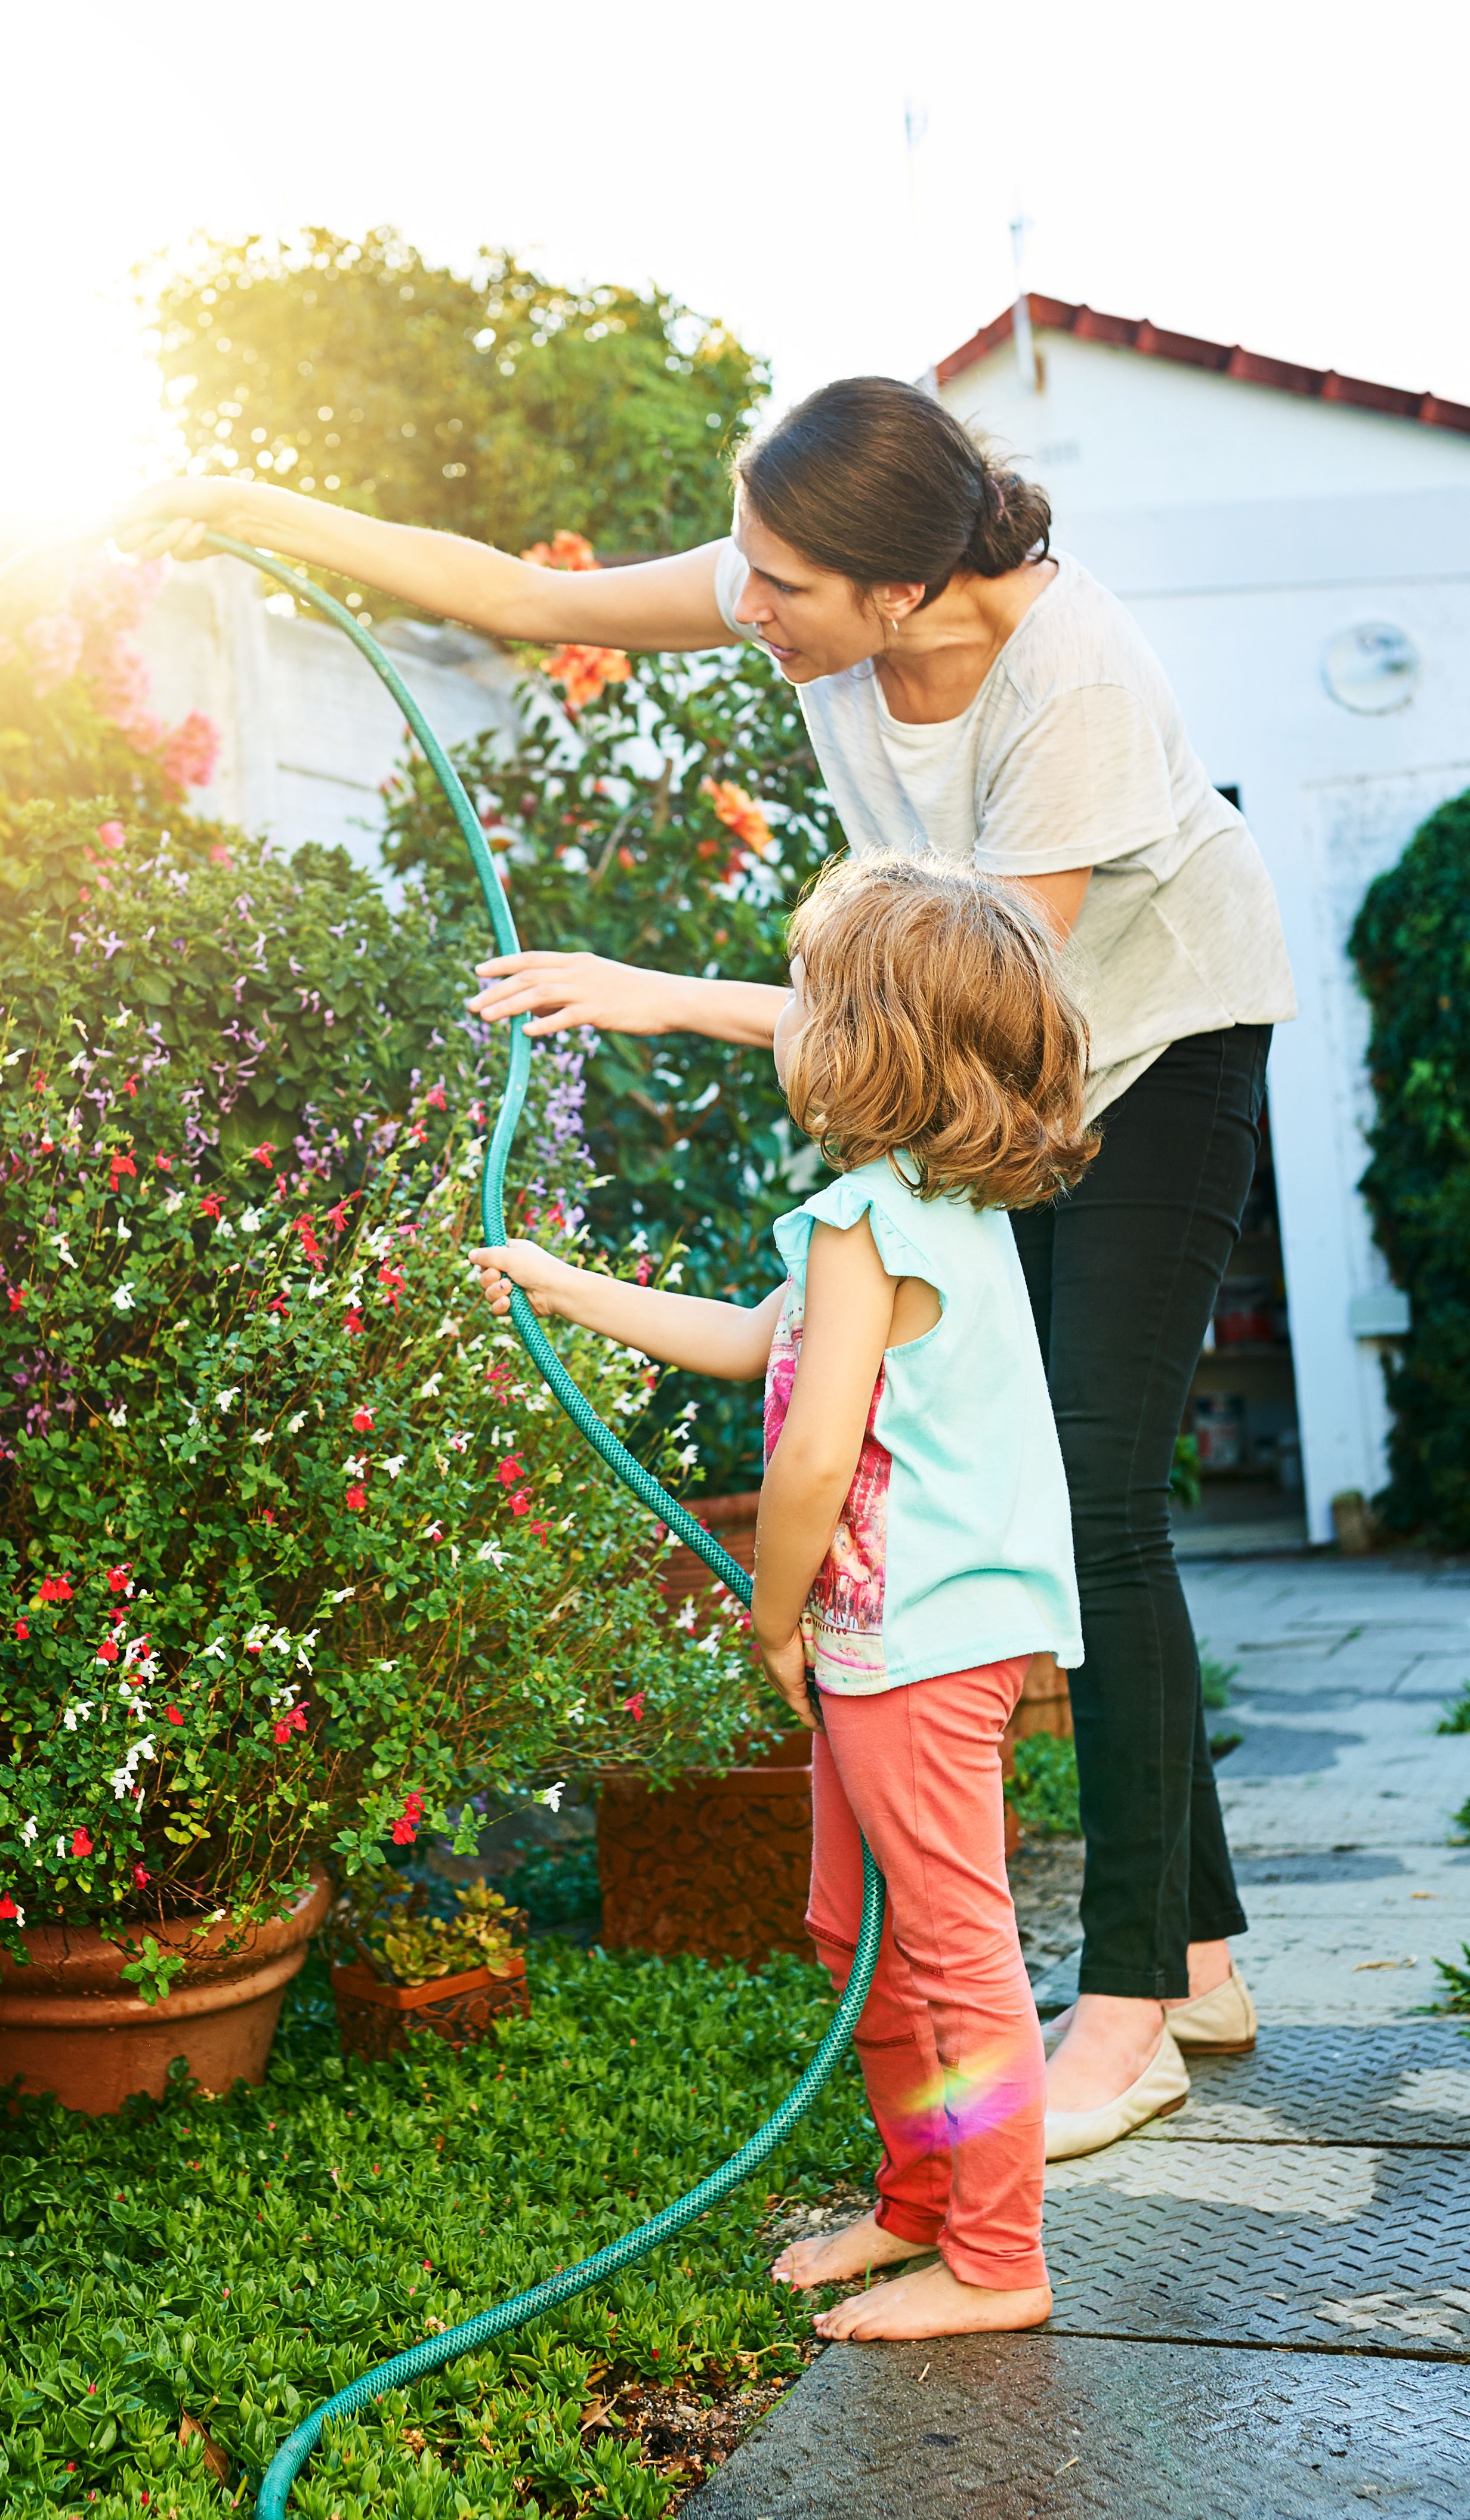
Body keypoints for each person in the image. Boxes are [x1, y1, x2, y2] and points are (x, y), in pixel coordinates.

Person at [115, 379, 1295, 2156]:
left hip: (1147, 1039)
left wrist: (661, 993)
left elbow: (984, 1008)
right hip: (986, 1019)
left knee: (1098, 1499)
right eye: (742, 565)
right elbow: (522, 596)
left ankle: (1126, 2012)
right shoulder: (809, 585)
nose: (746, 610)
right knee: (1072, 1476)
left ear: (899, 590)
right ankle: (1194, 1955)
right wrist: (247, 500)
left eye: (780, 589)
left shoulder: (1081, 682)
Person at [473, 852, 1092, 2342]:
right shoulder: (918, 1214)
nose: (785, 1019)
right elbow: (765, 1346)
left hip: (913, 1647)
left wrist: (772, 1614)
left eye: (808, 997)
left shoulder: (871, 1225)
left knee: (953, 1947)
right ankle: (919, 2202)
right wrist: (563, 1284)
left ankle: (999, 2261)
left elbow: (812, 1456)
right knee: (852, 1927)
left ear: (864, 1046)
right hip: (916, 1643)